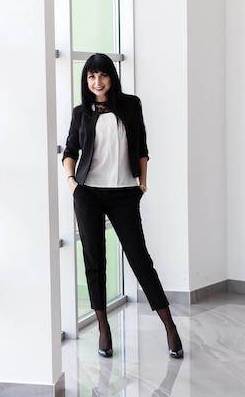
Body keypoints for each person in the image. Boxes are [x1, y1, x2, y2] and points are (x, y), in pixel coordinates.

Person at [62, 53, 183, 358]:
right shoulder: (81, 113)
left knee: (140, 260)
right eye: (90, 77)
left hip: (124, 194)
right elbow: (70, 150)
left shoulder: (131, 105)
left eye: (102, 75)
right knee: (94, 262)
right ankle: (103, 328)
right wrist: (72, 183)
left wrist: (142, 183)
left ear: (111, 77)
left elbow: (142, 146)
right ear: (85, 81)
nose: (97, 82)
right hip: (88, 194)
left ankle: (169, 326)